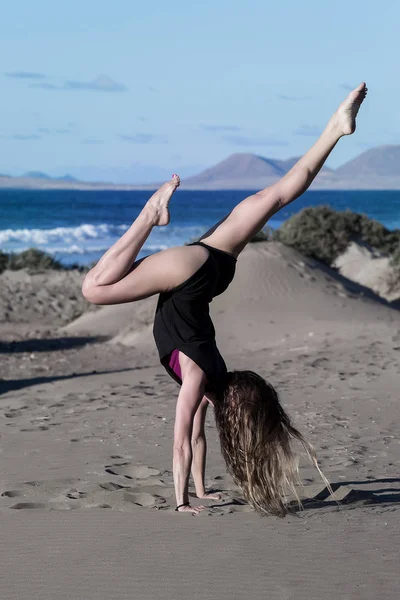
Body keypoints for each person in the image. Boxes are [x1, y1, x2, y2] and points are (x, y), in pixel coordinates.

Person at [82, 83, 367, 515]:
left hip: (216, 267)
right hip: (190, 275)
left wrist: (199, 492)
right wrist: (178, 504)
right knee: (93, 290)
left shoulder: (212, 374)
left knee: (276, 196)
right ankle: (151, 213)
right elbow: (180, 441)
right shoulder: (198, 376)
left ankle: (335, 128)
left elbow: (194, 435)